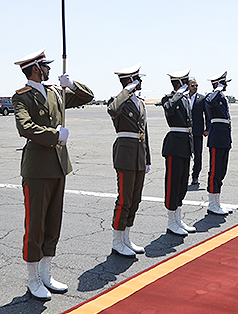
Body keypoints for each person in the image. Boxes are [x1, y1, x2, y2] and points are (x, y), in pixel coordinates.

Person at [12, 49, 93, 299]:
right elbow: (24, 127)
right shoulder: (22, 96)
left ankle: (46, 273)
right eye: (45, 65)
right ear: (36, 68)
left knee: (53, 222)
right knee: (35, 224)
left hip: (58, 165)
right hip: (37, 168)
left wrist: (73, 84)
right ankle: (33, 278)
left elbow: (88, 96)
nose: (49, 69)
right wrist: (55, 135)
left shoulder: (56, 92)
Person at [108, 64, 151, 256]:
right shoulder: (118, 101)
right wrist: (126, 90)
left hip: (139, 154)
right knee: (124, 199)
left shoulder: (140, 102)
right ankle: (117, 241)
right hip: (125, 155)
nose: (140, 82)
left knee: (135, 199)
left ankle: (126, 237)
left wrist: (147, 158)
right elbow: (113, 110)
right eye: (137, 79)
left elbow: (144, 132)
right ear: (130, 81)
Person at [160, 69, 195, 237]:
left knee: (182, 183)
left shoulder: (185, 99)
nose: (188, 86)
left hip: (185, 145)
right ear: (180, 84)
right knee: (173, 184)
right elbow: (168, 108)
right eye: (186, 83)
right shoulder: (169, 98)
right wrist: (178, 94)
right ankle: (171, 222)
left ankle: (178, 219)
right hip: (174, 145)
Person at [203, 72, 232, 215]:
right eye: (223, 83)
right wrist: (217, 89)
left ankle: (217, 202)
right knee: (214, 171)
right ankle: (212, 203)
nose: (225, 86)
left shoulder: (222, 97)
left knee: (222, 171)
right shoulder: (212, 96)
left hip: (224, 137)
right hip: (216, 138)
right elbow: (209, 101)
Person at [187, 78, 205, 186]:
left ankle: (195, 176)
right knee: (185, 155)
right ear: (188, 86)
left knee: (198, 155)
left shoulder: (201, 98)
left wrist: (207, 129)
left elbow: (207, 114)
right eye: (193, 85)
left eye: (196, 85)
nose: (195, 87)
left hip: (197, 131)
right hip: (186, 131)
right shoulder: (183, 97)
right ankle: (184, 176)